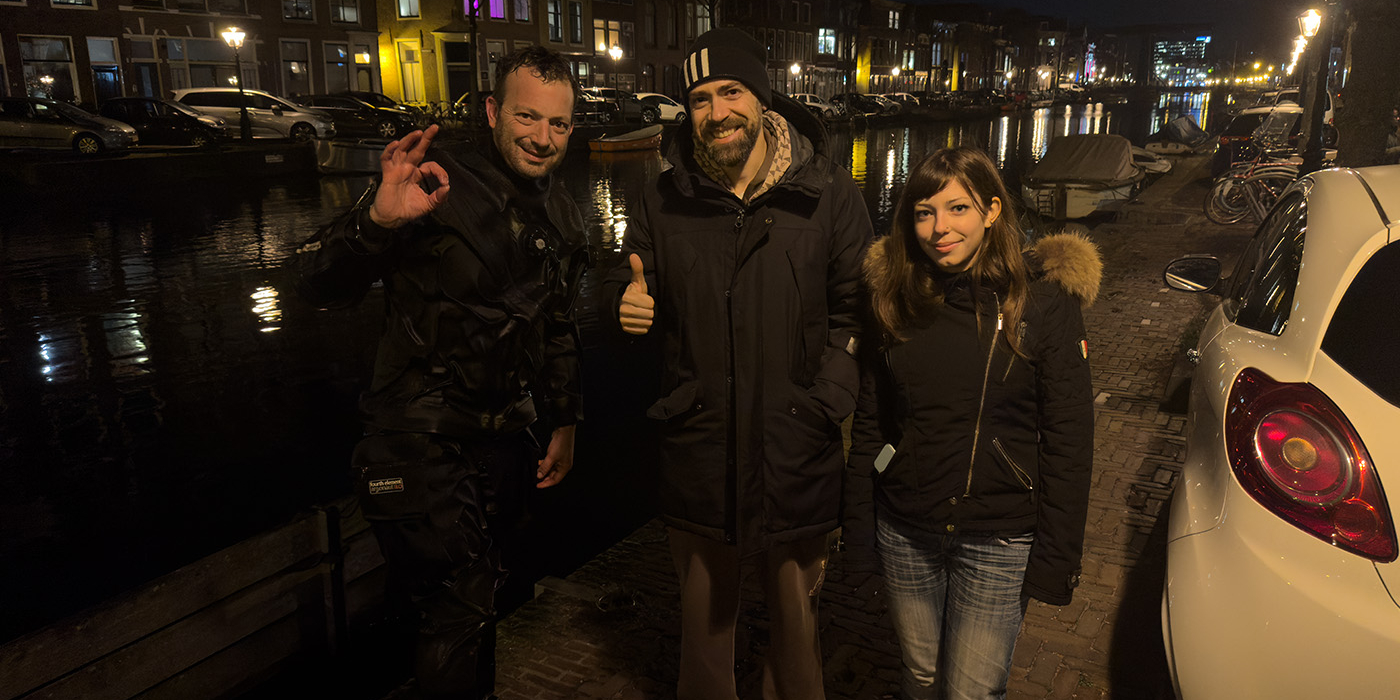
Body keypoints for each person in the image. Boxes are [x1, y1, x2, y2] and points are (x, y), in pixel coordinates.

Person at [289, 46, 587, 700]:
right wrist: (374, 223)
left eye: (559, 125)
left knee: (491, 596)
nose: (542, 138)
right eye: (527, 117)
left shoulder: (563, 213)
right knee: (460, 600)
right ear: (491, 110)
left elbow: (556, 323)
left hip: (506, 436)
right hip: (417, 435)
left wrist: (565, 419)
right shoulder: (433, 178)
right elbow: (312, 283)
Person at [604, 27, 872, 700]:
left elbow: (858, 311)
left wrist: (826, 400)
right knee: (704, 636)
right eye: (699, 99)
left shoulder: (828, 192)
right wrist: (628, 305)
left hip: (796, 451)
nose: (718, 112)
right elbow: (634, 284)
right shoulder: (662, 198)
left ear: (762, 98)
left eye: (731, 92)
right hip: (700, 451)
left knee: (796, 631)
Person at [848, 147, 1098, 700]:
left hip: (999, 536)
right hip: (906, 528)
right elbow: (873, 421)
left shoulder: (1043, 302)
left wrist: (1057, 556)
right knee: (919, 676)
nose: (940, 229)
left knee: (970, 692)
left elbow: (1069, 438)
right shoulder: (895, 297)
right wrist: (860, 531)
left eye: (957, 208)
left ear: (990, 211)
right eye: (923, 212)